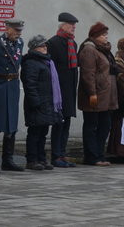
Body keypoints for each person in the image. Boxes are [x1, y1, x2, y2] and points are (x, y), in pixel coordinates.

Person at [0, 18, 25, 172]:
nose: (18, 34)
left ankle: (8, 159)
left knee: (11, 124)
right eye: (16, 30)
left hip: (13, 85)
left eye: (20, 31)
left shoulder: (20, 43)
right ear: (7, 28)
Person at [78, 22, 118, 166]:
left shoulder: (104, 50)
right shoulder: (89, 49)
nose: (106, 37)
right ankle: (92, 156)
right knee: (92, 126)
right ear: (95, 36)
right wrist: (92, 93)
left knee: (104, 126)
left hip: (106, 96)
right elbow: (88, 74)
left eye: (106, 34)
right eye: (103, 35)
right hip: (95, 95)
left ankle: (99, 154)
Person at [20, 35, 63, 171]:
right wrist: (36, 102)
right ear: (34, 48)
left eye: (45, 45)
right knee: (34, 133)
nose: (45, 48)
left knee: (43, 133)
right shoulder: (31, 62)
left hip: (47, 103)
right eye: (42, 46)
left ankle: (42, 158)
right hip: (37, 104)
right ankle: (32, 160)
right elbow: (30, 84)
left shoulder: (46, 62)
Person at [46, 12, 79, 168]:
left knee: (66, 123)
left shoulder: (73, 44)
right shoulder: (53, 43)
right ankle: (56, 155)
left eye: (74, 25)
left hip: (70, 90)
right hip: (58, 90)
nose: (73, 27)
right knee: (58, 124)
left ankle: (62, 153)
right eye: (71, 25)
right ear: (62, 25)